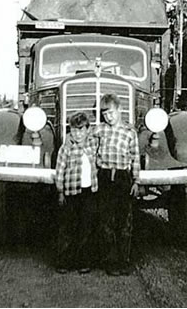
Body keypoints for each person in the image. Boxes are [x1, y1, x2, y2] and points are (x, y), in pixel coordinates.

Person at [94, 93, 140, 276]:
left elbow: (135, 157)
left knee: (125, 220)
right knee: (106, 220)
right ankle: (110, 260)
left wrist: (136, 181)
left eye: (111, 113)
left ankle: (124, 260)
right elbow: (89, 148)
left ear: (119, 110)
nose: (109, 117)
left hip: (123, 178)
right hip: (105, 177)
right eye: (105, 114)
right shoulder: (99, 130)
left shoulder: (130, 132)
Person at [55, 112, 98, 274]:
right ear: (70, 131)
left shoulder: (92, 145)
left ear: (87, 130)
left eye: (81, 130)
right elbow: (60, 170)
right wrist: (60, 191)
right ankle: (64, 261)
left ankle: (83, 261)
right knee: (68, 226)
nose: (77, 134)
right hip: (71, 192)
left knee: (86, 226)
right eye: (74, 130)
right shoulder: (66, 148)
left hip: (88, 192)